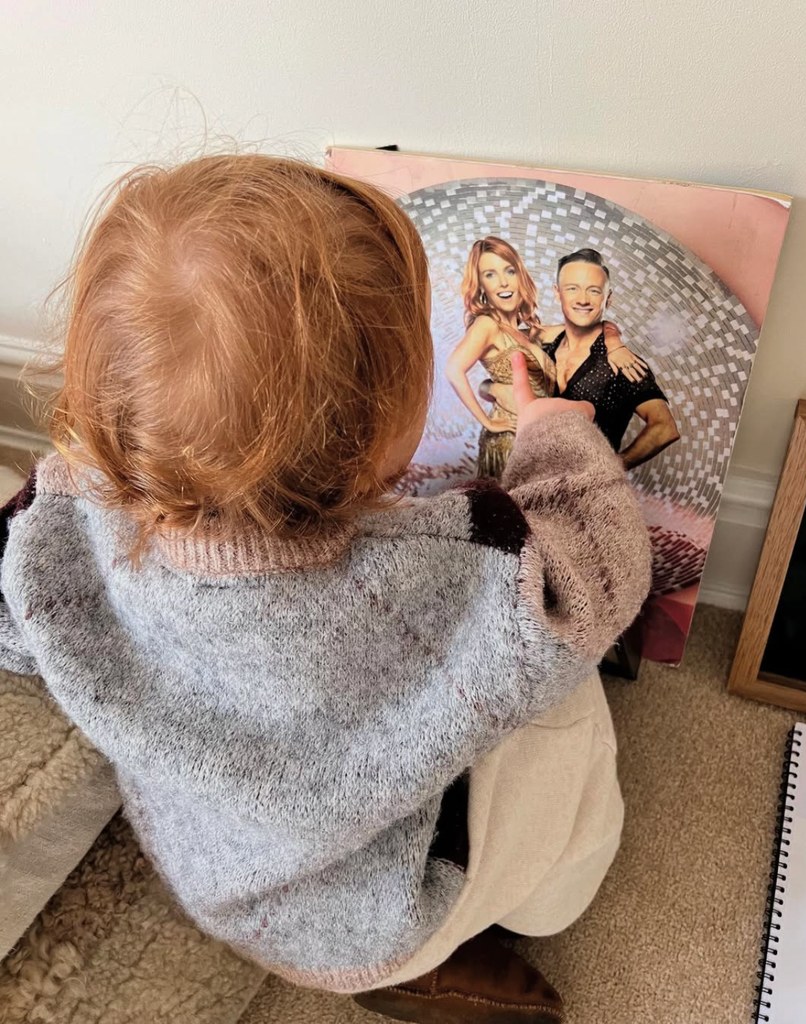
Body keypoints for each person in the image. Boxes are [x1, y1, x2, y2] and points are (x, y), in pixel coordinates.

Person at [0, 156, 651, 1024]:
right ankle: (479, 936)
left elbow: (20, 628)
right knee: (567, 705)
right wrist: (556, 440)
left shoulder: (52, 521)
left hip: (207, 869)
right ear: (384, 436)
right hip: (375, 915)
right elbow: (599, 568)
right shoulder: (457, 564)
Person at [445, 236, 648, 479]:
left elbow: (591, 324)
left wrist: (614, 342)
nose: (502, 282)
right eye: (489, 274)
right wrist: (487, 421)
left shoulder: (528, 332)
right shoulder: (487, 324)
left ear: (520, 275)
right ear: (480, 284)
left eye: (509, 271)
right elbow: (453, 369)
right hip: (510, 440)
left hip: (537, 437)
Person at [543, 248, 680, 469]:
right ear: (557, 293)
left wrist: (612, 468)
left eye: (594, 291)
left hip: (586, 496)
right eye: (572, 289)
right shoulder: (543, 347)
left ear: (608, 299)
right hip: (530, 484)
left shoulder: (622, 363)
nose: (583, 299)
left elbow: (665, 428)